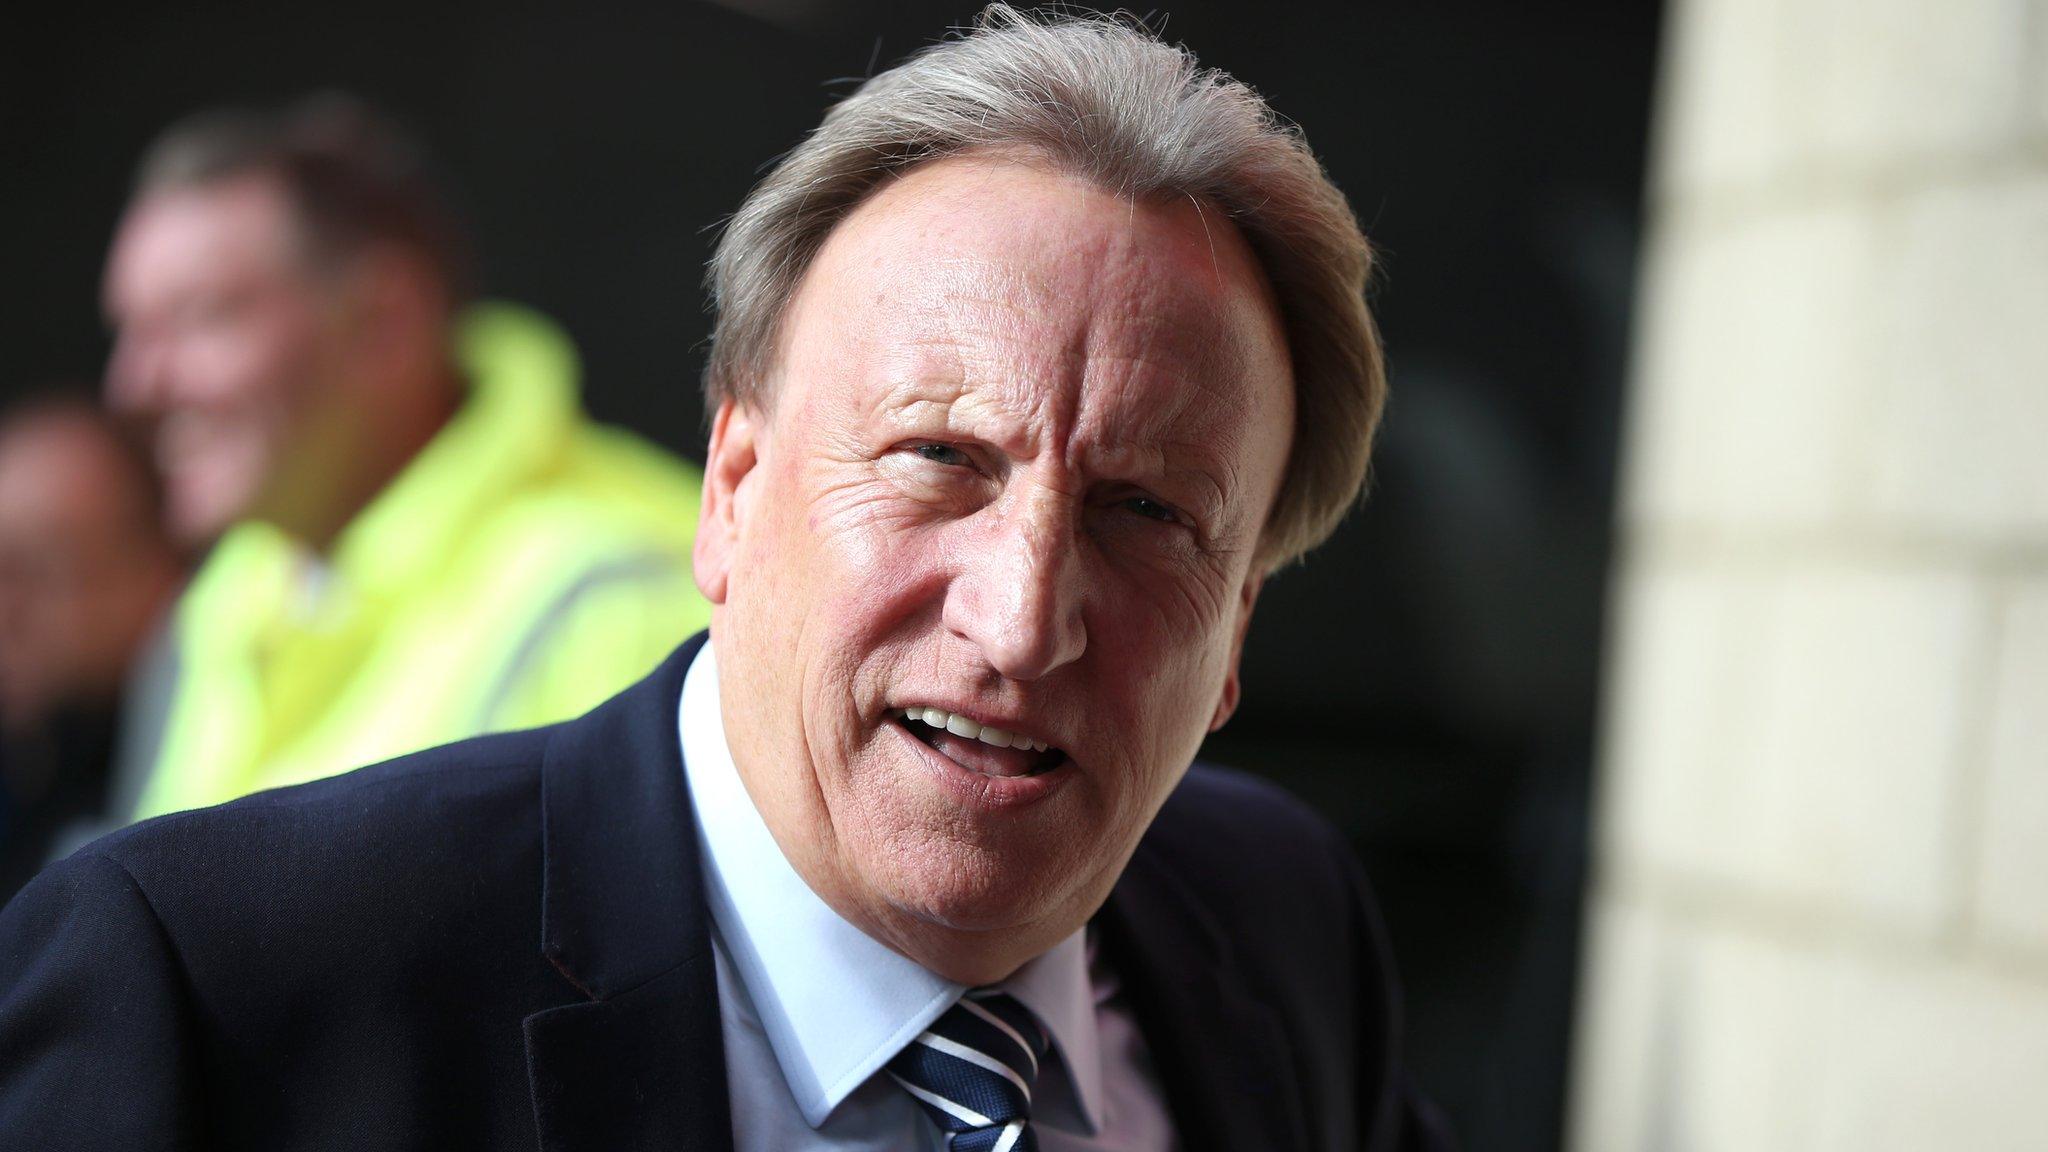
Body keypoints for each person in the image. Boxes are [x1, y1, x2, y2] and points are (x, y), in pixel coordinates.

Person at [0, 8, 1451, 1150]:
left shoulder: (1279, 926)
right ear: (734, 491)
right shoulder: (208, 997)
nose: (1019, 621)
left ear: (1240, 629)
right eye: (940, 458)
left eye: (1147, 510)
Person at [96, 95, 709, 818]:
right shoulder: (222, 603)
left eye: (199, 318)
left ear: (384, 321)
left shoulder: (631, 597)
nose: (132, 386)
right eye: (130, 330)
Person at [0, 397, 184, 899]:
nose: (7, 614)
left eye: (33, 573)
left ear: (154, 566)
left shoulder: (197, 737)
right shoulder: (29, 761)